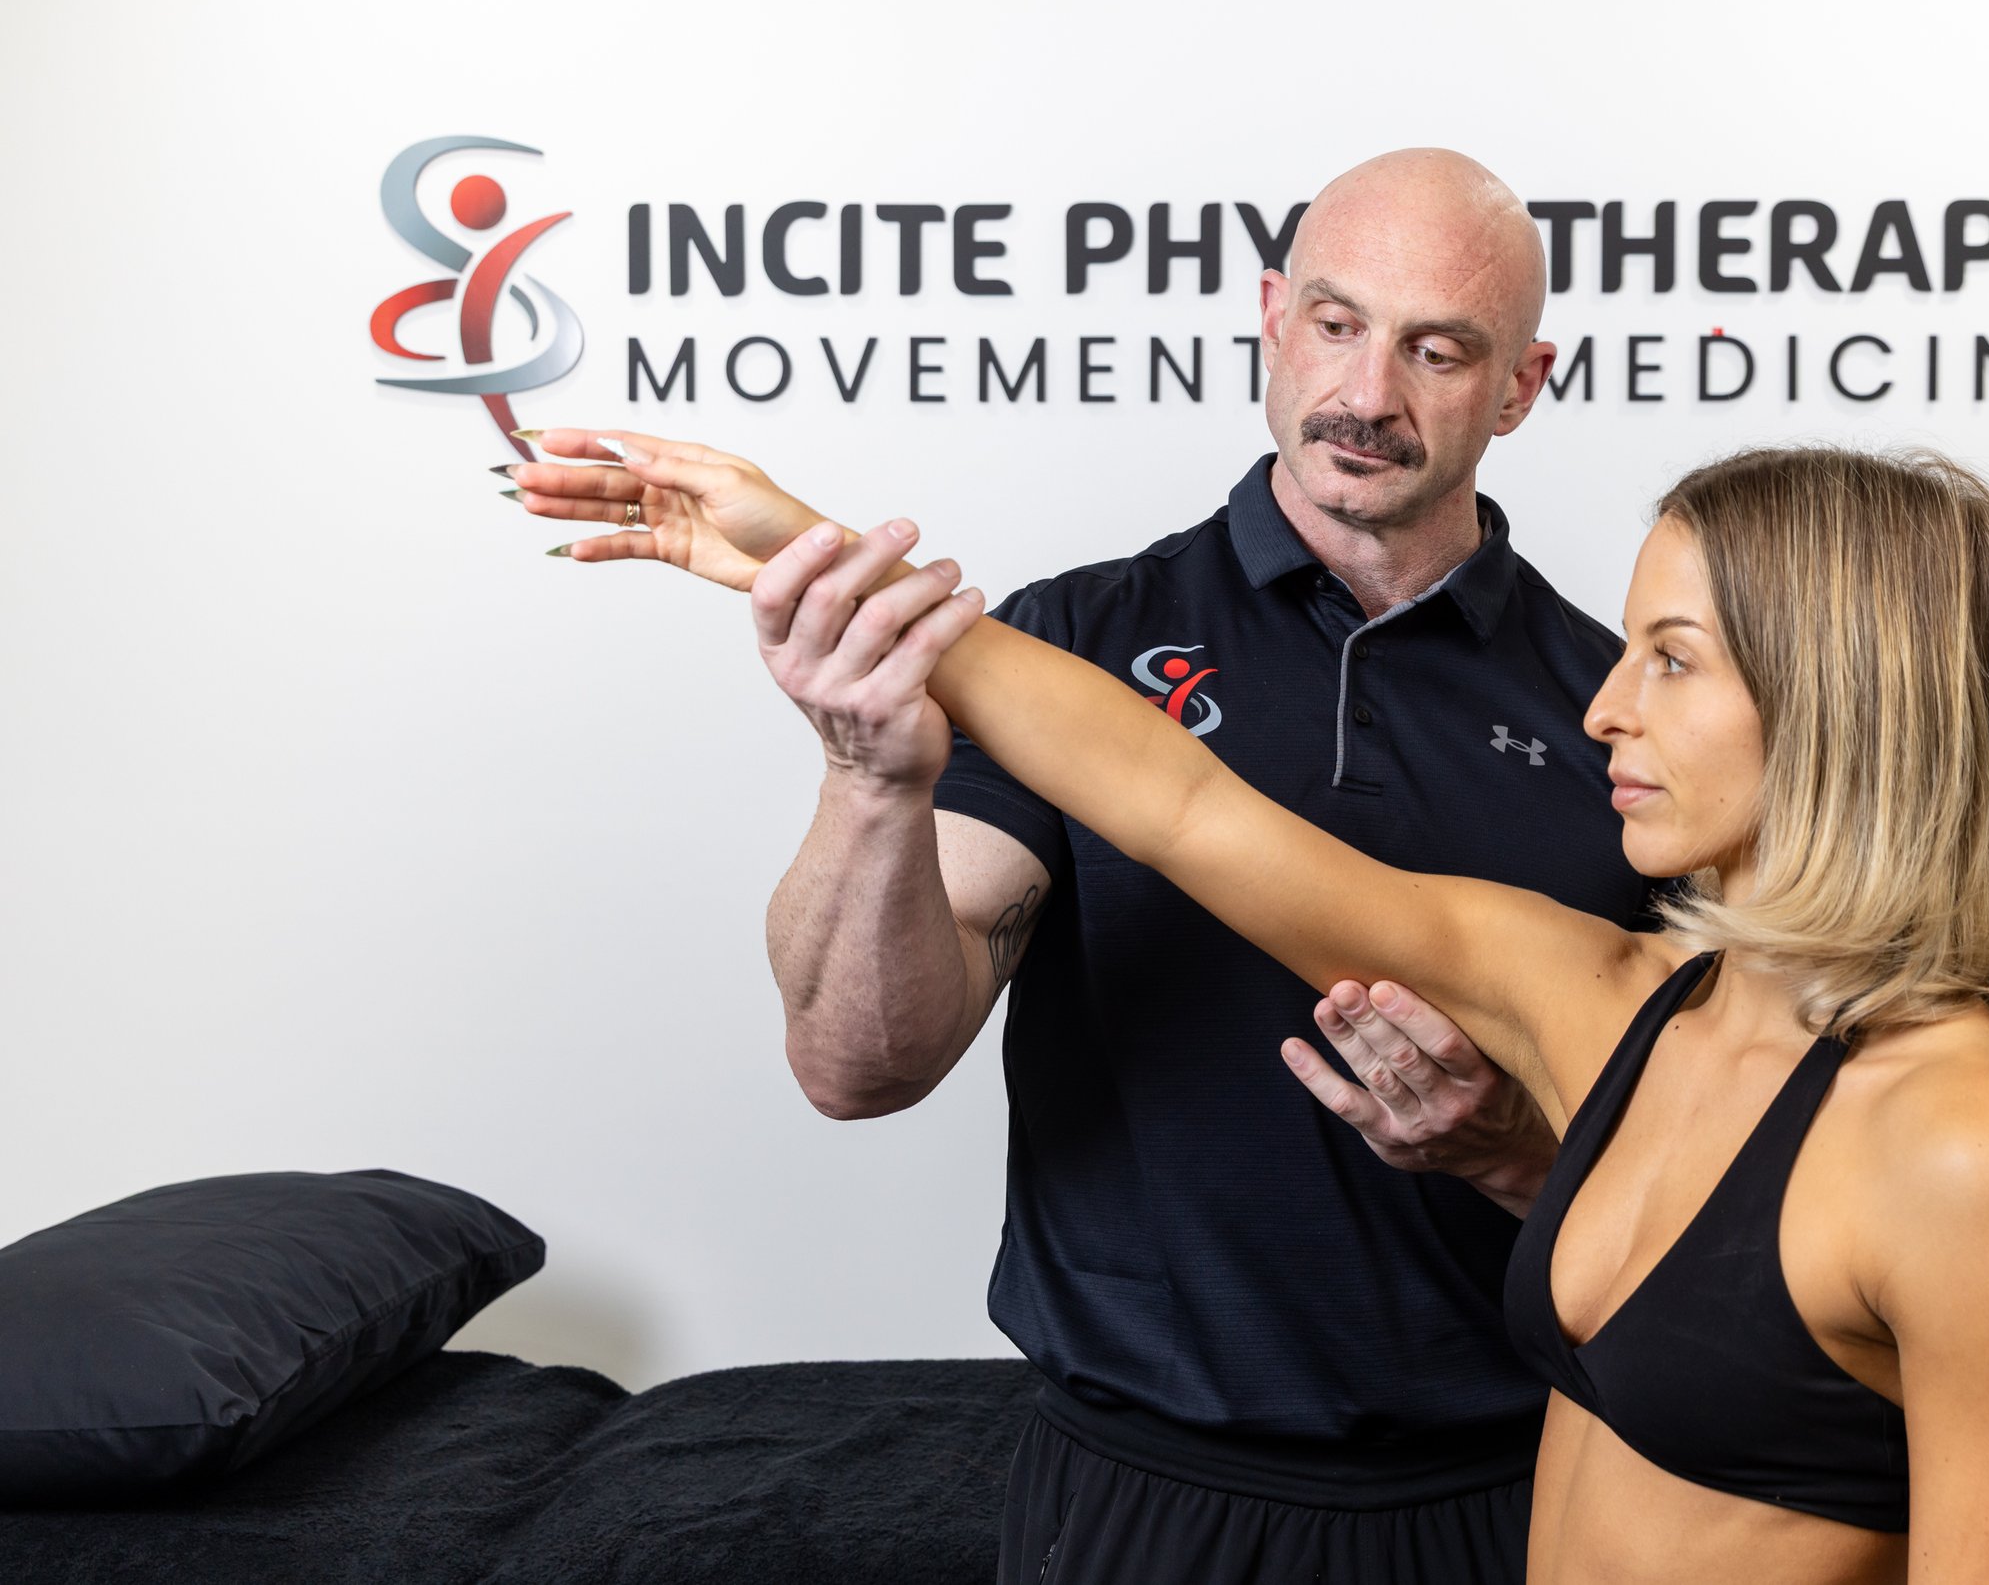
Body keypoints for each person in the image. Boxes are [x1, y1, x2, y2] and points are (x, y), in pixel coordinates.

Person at [511, 149, 1671, 1582]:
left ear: (1521, 386)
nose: (1368, 394)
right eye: (1333, 323)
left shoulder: (1625, 716)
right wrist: (872, 783)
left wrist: (1510, 1155)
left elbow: (1712, 1188)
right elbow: (857, 1067)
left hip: (1516, 1484)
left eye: (1438, 351)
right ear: (1267, 314)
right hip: (1143, 1493)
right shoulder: (1067, 645)